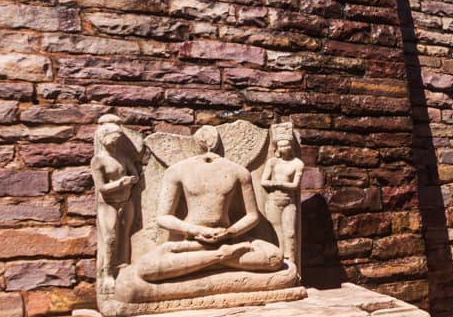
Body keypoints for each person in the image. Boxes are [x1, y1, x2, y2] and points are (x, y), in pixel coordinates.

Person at [132, 124, 284, 281]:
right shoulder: (177, 171)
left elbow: (252, 216)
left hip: (229, 241)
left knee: (274, 257)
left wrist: (230, 232)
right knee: (146, 268)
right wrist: (196, 230)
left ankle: (204, 263)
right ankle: (220, 258)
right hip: (191, 244)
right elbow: (163, 217)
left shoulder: (238, 172)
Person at [91, 114, 139, 294]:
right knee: (109, 238)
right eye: (112, 139)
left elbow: (134, 173)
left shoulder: (122, 157)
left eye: (117, 140)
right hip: (108, 204)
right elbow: (101, 187)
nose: (115, 143)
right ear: (103, 139)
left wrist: (133, 177)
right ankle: (107, 274)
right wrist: (121, 183)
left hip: (126, 201)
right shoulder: (99, 160)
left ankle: (123, 268)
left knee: (126, 235)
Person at [259, 122, 305, 273]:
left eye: (287, 145)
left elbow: (295, 185)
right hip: (273, 201)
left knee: (290, 234)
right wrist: (280, 183)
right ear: (277, 148)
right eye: (281, 146)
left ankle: (291, 266)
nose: (285, 148)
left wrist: (277, 183)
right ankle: (278, 264)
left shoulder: (297, 163)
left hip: (288, 201)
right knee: (276, 233)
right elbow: (264, 181)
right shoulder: (272, 162)